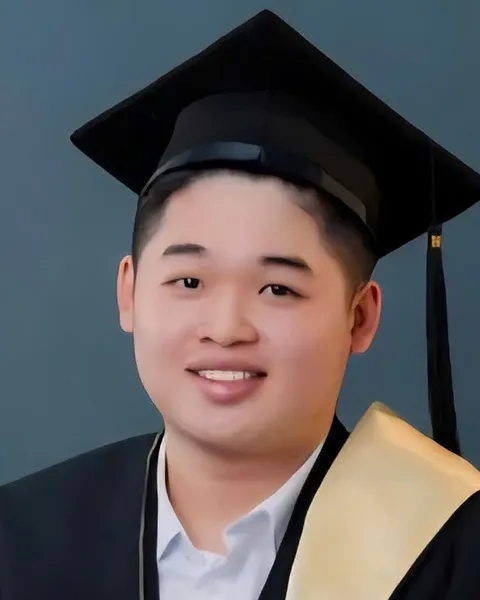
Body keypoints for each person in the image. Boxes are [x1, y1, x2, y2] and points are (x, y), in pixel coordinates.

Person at [1, 9, 480, 600]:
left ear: (360, 317)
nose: (226, 329)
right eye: (189, 281)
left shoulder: (455, 553)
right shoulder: (21, 539)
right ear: (129, 293)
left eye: (277, 289)